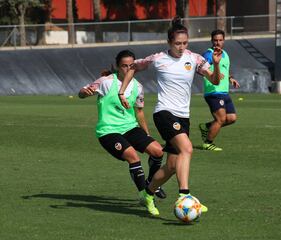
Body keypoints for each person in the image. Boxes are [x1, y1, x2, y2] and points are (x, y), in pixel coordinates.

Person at [118, 17, 223, 216]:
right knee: (188, 148)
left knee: (173, 165)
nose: (182, 47)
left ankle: (148, 193)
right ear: (169, 43)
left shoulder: (194, 58)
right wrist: (122, 92)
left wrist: (216, 65)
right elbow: (133, 67)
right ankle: (185, 195)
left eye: (185, 43)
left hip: (183, 117)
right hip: (164, 113)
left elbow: (215, 80)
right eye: (177, 43)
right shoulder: (158, 59)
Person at [78, 50, 166, 216]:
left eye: (131, 66)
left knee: (158, 151)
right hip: (108, 130)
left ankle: (151, 182)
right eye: (124, 66)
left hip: (130, 127)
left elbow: (139, 112)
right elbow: (82, 93)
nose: (127, 69)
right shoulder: (106, 82)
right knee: (133, 156)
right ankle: (145, 196)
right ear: (118, 67)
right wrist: (85, 93)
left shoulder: (138, 87)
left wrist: (147, 134)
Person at [199, 29, 240, 151]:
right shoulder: (209, 54)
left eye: (220, 40)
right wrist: (212, 73)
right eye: (215, 40)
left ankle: (207, 127)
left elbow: (224, 70)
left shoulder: (225, 54)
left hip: (224, 92)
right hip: (213, 91)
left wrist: (230, 79)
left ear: (224, 40)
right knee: (221, 119)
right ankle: (208, 143)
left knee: (231, 118)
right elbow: (201, 68)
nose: (218, 42)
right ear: (212, 41)